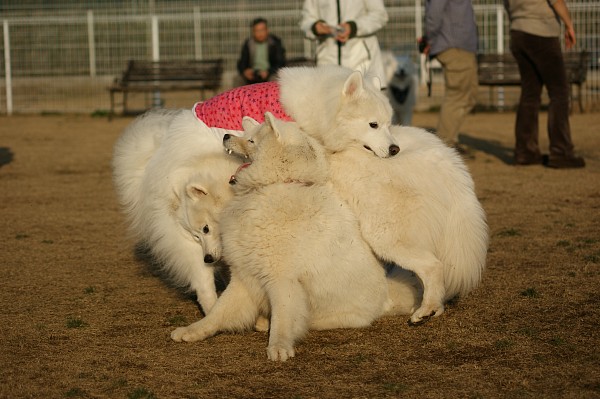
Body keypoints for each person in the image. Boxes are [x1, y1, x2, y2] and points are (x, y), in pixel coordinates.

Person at [504, 0, 585, 168]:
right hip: (541, 32)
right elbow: (556, 1)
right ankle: (561, 152)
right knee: (559, 92)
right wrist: (569, 25)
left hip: (518, 32)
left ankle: (525, 151)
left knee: (530, 94)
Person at [421, 0, 478, 153]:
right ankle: (444, 145)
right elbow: (434, 15)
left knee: (470, 96)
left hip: (464, 47)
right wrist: (430, 40)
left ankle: (450, 139)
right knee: (457, 96)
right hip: (454, 46)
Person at [300, 0, 388, 88]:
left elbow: (380, 15)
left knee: (365, 99)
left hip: (362, 63)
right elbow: (306, 20)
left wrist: (354, 27)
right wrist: (315, 27)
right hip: (327, 65)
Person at [237, 17, 286, 85]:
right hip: (253, 74)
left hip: (270, 73)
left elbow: (280, 62)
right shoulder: (248, 43)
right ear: (253, 32)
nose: (260, 33)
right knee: (239, 79)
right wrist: (245, 71)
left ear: (267, 30)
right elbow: (242, 62)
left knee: (274, 79)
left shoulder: (275, 42)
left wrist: (268, 72)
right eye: (257, 30)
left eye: (262, 30)